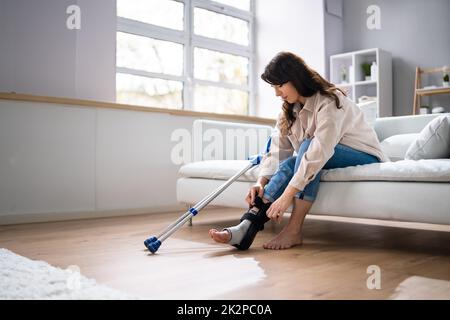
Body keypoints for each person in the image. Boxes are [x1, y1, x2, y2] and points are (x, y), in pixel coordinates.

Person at [209, 52, 389, 250]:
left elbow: (318, 152)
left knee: (307, 149)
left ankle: (293, 230)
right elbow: (278, 151)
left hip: (364, 154)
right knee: (291, 162)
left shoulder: (330, 101)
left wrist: (287, 196)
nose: (277, 93)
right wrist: (261, 182)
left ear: (295, 78)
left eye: (279, 86)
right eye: (273, 87)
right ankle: (246, 227)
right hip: (322, 153)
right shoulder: (288, 110)